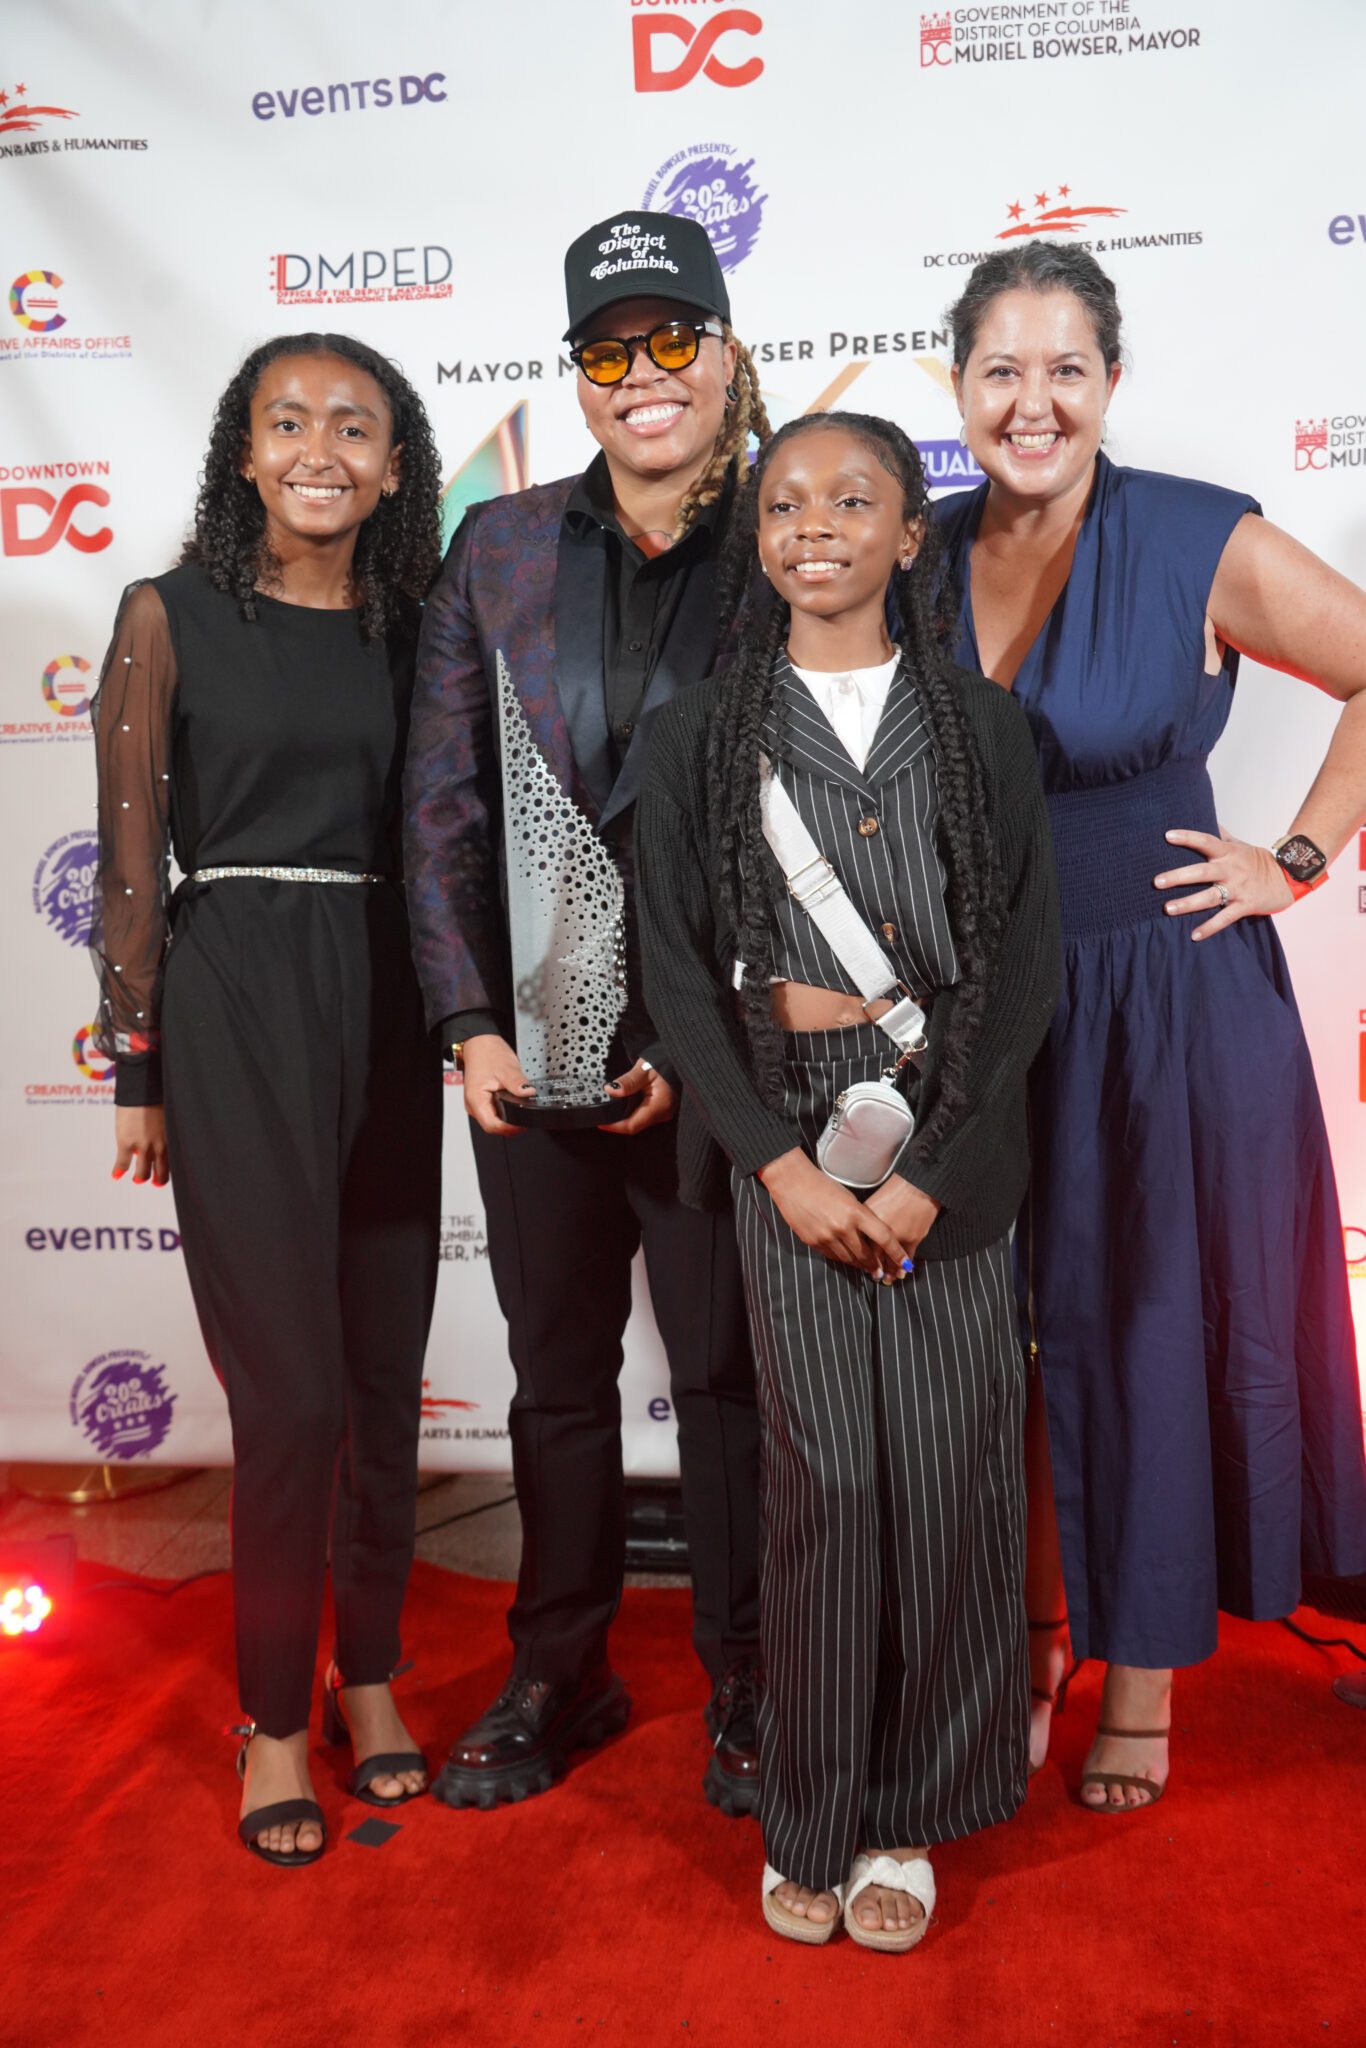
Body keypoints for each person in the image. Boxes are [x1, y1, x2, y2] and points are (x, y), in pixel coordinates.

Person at [934, 242, 1366, 1811]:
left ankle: (1141, 1680)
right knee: (994, 1347)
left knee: (1146, 1332)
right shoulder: (913, 549)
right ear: (955, 387)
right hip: (981, 1008)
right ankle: (1033, 1636)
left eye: (1065, 369)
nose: (1031, 401)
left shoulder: (1195, 536)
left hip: (1161, 1000)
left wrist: (1293, 860)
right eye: (1000, 369)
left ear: (1110, 381)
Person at [636, 412, 1060, 1949]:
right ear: (756, 536)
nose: (812, 524)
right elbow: (674, 976)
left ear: (907, 535)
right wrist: (774, 1166)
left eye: (852, 499)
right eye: (784, 502)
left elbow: (1023, 973)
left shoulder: (980, 728)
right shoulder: (696, 735)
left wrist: (933, 1171)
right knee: (826, 1485)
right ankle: (811, 1815)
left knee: (945, 1482)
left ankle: (909, 1819)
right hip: (785, 1134)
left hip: (952, 1136)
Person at [402, 212, 768, 1813]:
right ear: (576, 375)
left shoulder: (790, 527)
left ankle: (750, 1676)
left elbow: (807, 819)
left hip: (720, 1058)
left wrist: (702, 1048)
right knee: (554, 1376)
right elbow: (439, 801)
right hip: (531, 1050)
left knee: (729, 1381)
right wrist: (467, 1022)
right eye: (609, 350)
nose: (643, 374)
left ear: (726, 353)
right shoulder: (497, 547)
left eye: (672, 338)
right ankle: (560, 1670)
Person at [91, 333, 444, 1865]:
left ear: (393, 465)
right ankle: (272, 1721)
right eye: (286, 421)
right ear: (243, 451)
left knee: (380, 1382)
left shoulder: (419, 628)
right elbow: (126, 853)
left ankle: (367, 1675)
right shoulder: (166, 614)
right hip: (234, 997)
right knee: (291, 1397)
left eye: (353, 427)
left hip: (391, 1000)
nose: (319, 448)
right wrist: (137, 1060)